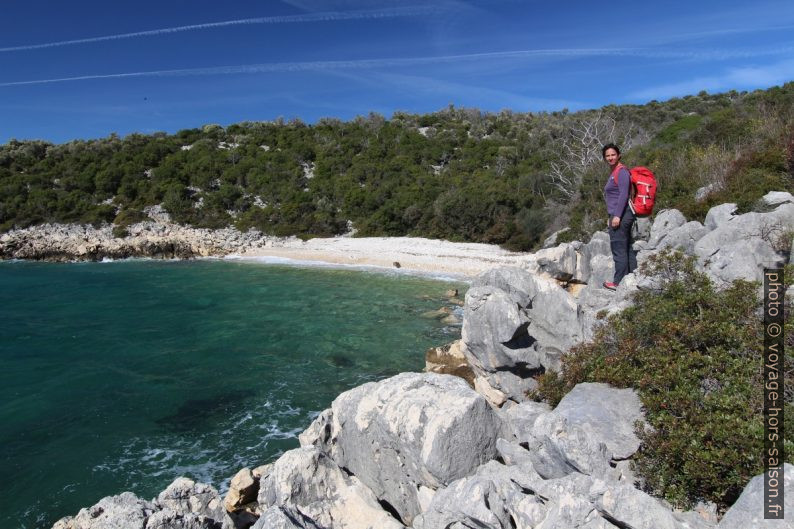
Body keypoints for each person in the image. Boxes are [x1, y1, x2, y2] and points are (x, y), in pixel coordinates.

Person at [602, 143, 637, 290]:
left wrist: (616, 216)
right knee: (626, 247)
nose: (610, 157)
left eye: (613, 155)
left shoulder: (621, 172)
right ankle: (632, 277)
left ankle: (618, 282)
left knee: (618, 248)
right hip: (619, 214)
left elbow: (623, 194)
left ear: (619, 155)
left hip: (621, 215)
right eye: (607, 156)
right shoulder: (615, 171)